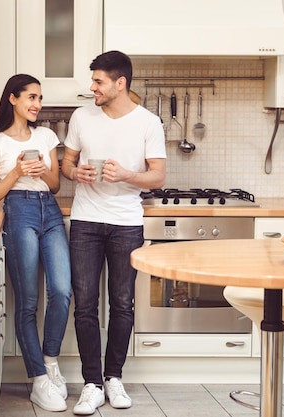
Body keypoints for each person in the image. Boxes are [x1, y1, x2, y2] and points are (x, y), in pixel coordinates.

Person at [61, 51, 167, 415]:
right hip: (86, 221)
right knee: (86, 306)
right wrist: (75, 174)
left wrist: (126, 175)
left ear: (120, 83)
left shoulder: (148, 123)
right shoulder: (82, 116)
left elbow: (158, 176)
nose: (92, 88)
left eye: (99, 81)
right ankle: (91, 383)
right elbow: (66, 163)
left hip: (126, 222)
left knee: (122, 305)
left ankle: (114, 377)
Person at [0, 74, 72, 412]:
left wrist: (42, 170)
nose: (37, 104)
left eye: (39, 98)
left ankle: (49, 363)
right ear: (13, 99)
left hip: (49, 211)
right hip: (18, 212)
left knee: (62, 291)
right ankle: (38, 381)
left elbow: (56, 185)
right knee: (29, 300)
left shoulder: (46, 135)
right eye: (31, 97)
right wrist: (17, 172)